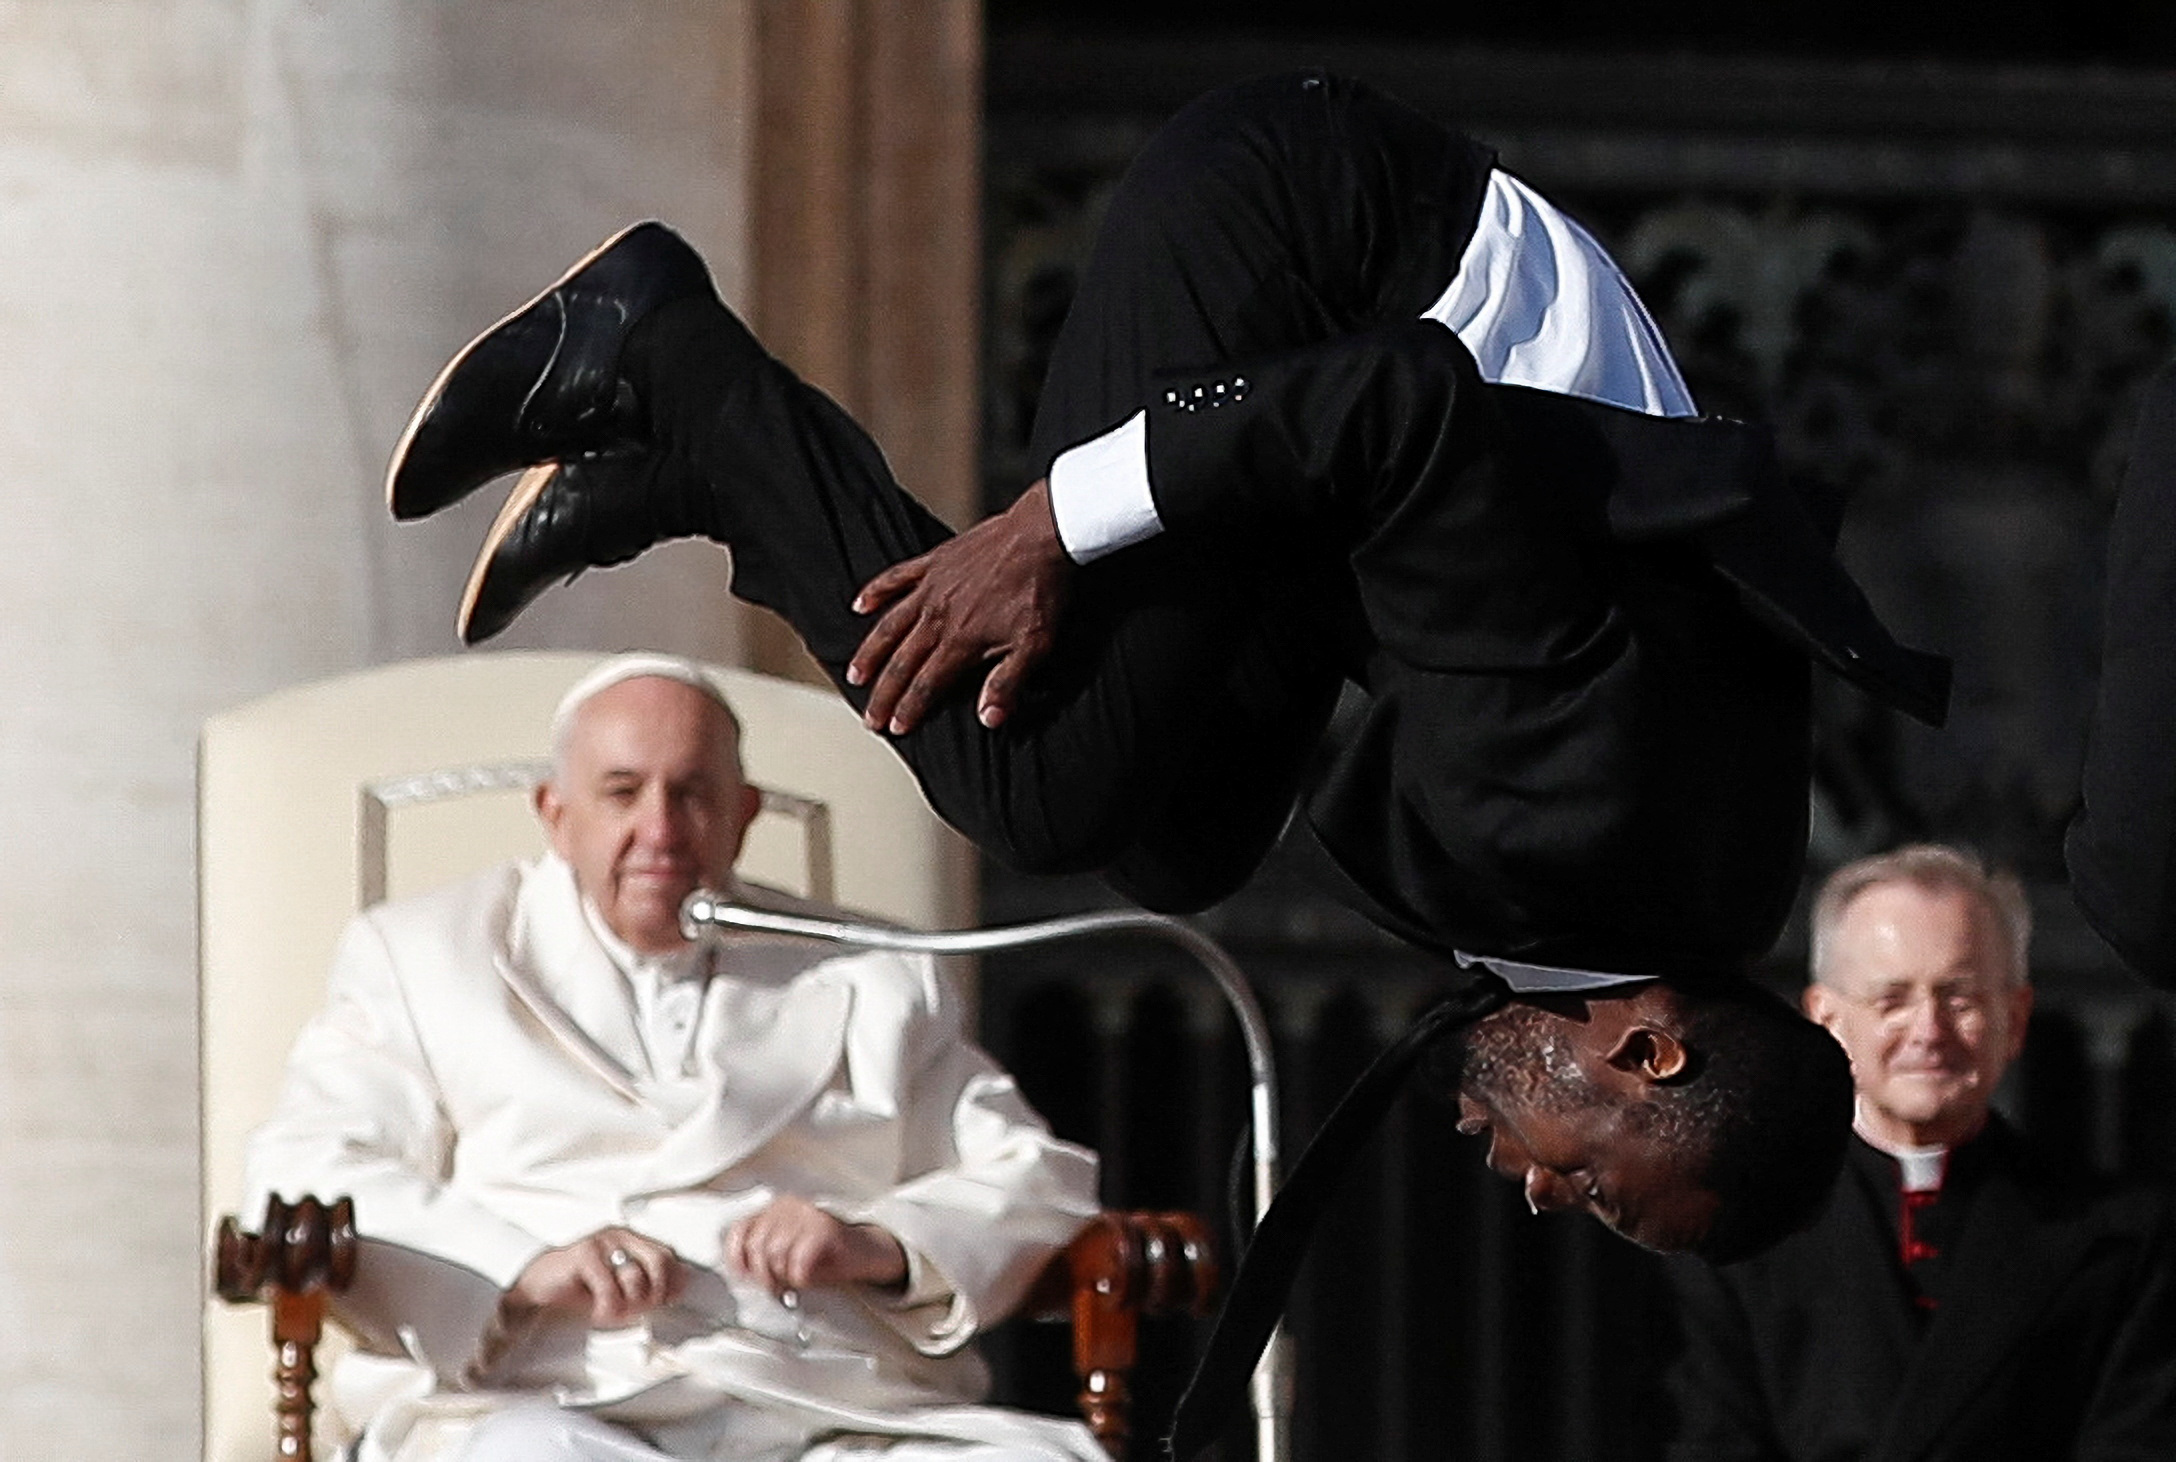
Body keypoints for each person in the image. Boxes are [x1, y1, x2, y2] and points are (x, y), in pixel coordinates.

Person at [380, 70, 1946, 1450]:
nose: (1538, 1195)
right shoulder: (1586, 800)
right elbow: (1411, 409)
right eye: (1595, 1185)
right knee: (1042, 782)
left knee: (1176, 834)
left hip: (1347, 474)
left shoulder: (1633, 903)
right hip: (1306, 253)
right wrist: (1056, 525)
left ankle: (699, 461)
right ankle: (668, 356)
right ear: (1650, 1051)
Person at [243, 654, 1106, 1462]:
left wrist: (877, 1243)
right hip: (555, 1402)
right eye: (622, 793)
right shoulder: (425, 955)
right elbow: (304, 1174)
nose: (661, 831)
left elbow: (1036, 1179)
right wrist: (521, 1264)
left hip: (826, 1408)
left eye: (692, 794)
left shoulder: (869, 972)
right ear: (555, 813)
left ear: (744, 814)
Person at [1663, 844, 2176, 1461]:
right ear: (1825, 1020)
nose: (1929, 1031)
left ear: (2014, 1019)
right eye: (1892, 1000)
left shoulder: (2119, 1239)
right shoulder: (1738, 1236)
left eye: (1959, 998)